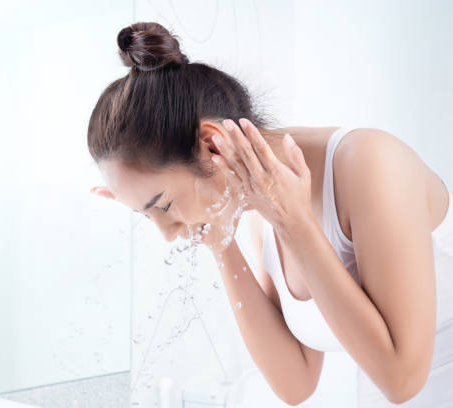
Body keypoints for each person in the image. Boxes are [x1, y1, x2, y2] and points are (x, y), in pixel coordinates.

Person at [87, 21, 453, 407]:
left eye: (162, 205)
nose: (167, 232)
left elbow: (402, 379)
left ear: (213, 145)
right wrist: (220, 243)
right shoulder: (262, 209)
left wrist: (294, 224)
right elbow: (296, 384)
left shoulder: (370, 164)